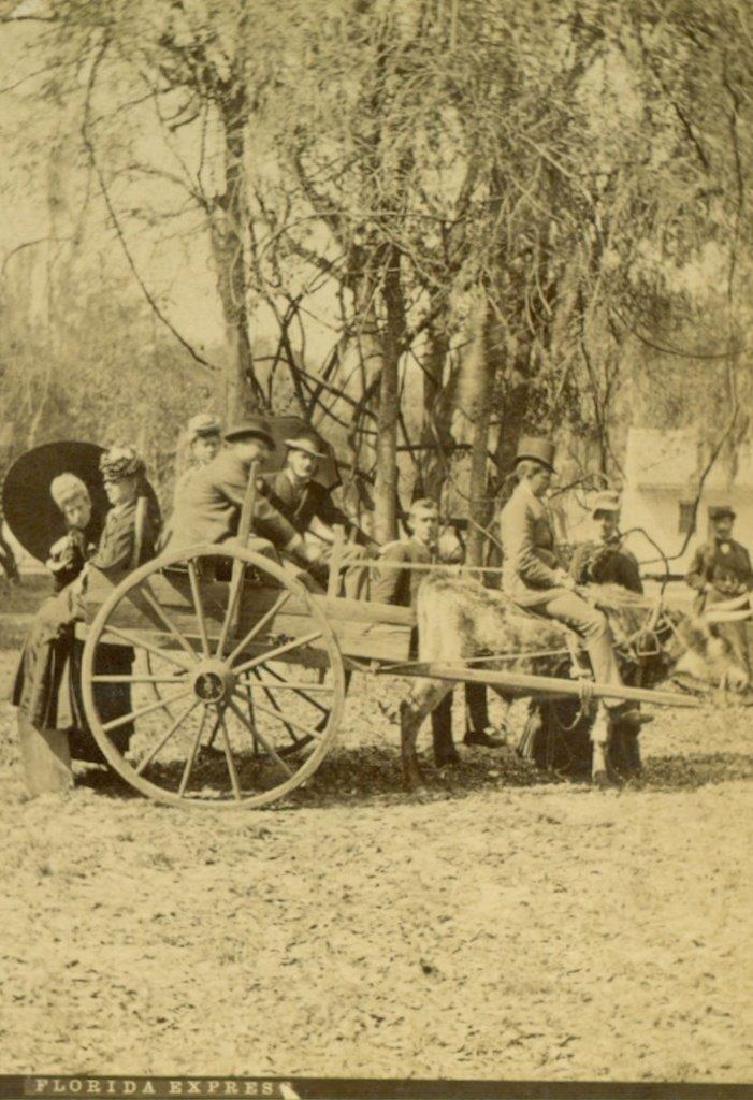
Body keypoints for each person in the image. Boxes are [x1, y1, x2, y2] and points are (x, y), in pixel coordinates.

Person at [499, 437, 640, 782]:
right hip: (529, 589)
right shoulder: (519, 508)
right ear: (531, 473)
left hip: (542, 582)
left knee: (593, 607)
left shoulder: (533, 502)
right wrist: (559, 580)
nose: (551, 480)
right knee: (594, 622)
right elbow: (522, 561)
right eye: (547, 475)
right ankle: (614, 699)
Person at [12, 445, 160, 735]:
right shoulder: (122, 512)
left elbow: (110, 562)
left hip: (105, 595)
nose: (108, 488)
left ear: (132, 483)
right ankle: (42, 709)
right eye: (105, 482)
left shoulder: (128, 516)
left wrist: (86, 563)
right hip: (101, 589)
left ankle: (39, 707)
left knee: (47, 621)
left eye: (114, 483)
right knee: (47, 615)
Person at [373, 498, 503, 767]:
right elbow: (383, 599)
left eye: (434, 521)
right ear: (411, 523)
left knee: (476, 654)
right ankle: (447, 746)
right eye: (424, 520)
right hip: (413, 632)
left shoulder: (438, 557)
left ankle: (472, 729)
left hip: (437, 630)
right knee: (451, 668)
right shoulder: (402, 552)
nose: (430, 526)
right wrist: (384, 638)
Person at [164, 417, 318, 567]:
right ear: (241, 444)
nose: (264, 455)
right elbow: (261, 510)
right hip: (195, 547)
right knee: (264, 548)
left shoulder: (232, 467)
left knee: (263, 548)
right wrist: (300, 546)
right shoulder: (226, 469)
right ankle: (282, 591)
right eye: (260, 447)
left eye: (266, 450)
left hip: (208, 541)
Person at [260, 429, 369, 594]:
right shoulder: (267, 484)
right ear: (290, 457)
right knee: (307, 584)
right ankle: (330, 609)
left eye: (312, 459)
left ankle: (351, 609)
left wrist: (367, 541)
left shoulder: (316, 491)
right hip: (272, 555)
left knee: (358, 553)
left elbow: (337, 518)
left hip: (304, 554)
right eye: (303, 457)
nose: (308, 464)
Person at [686, 504, 753, 679]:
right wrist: (705, 585)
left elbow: (750, 577)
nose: (722, 527)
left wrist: (745, 586)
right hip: (711, 601)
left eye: (726, 522)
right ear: (713, 525)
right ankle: (711, 677)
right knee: (711, 643)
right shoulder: (704, 551)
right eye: (718, 523)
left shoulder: (742, 552)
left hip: (734, 604)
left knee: (740, 644)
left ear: (732, 524)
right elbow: (690, 576)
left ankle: (744, 679)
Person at [570, 489, 643, 594]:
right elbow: (570, 589)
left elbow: (636, 598)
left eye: (609, 518)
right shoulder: (580, 552)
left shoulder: (625, 556)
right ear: (593, 519)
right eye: (599, 517)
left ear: (617, 522)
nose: (603, 523)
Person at [45, 473, 97, 591]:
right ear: (65, 515)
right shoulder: (69, 535)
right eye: (71, 512)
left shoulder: (102, 525)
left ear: (88, 502)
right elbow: (61, 582)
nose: (77, 516)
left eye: (79, 508)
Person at [172, 413, 222, 507]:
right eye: (206, 445)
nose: (211, 449)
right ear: (194, 448)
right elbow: (180, 512)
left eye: (214, 444)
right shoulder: (187, 481)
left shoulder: (229, 474)